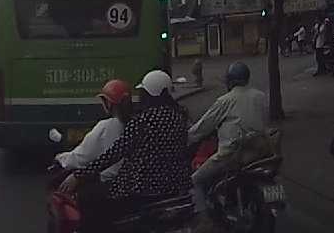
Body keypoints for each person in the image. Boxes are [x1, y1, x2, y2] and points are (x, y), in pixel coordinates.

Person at [59, 70, 191, 232]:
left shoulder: (143, 120)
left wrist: (79, 175)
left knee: (87, 197)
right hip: (176, 185)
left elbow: (115, 153)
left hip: (141, 186)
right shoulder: (180, 116)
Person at [188, 62, 271, 219]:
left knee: (196, 180)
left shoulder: (225, 100)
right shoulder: (260, 96)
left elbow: (204, 126)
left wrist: (186, 136)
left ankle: (205, 221)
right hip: (259, 151)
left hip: (232, 155)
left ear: (230, 80)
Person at [55, 79, 132, 182]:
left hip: (110, 182)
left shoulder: (106, 126)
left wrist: (60, 158)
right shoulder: (139, 123)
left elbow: (82, 157)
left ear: (108, 103)